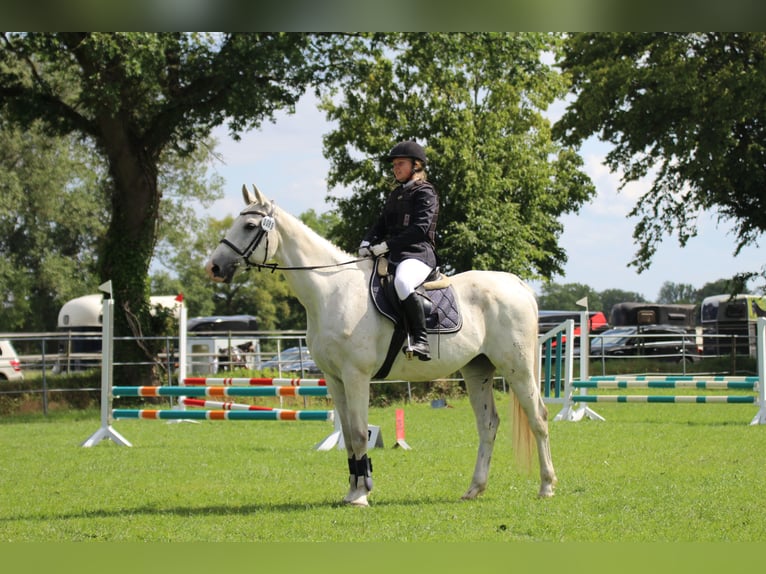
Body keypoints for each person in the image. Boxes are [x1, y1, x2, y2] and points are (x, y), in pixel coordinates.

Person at [358, 140, 439, 361]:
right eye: (394, 165)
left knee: (402, 282)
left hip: (418, 254)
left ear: (416, 165)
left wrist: (386, 246)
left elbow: (420, 229)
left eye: (400, 164)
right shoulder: (396, 194)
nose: (396, 169)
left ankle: (421, 340)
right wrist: (366, 243)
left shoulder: (425, 192)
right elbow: (381, 224)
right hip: (395, 255)